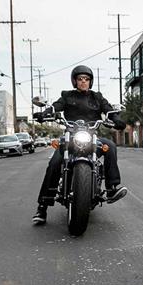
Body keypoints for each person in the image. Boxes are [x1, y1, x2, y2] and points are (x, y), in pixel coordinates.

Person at [32, 65, 128, 225]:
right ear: (75, 81)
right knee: (55, 162)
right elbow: (56, 106)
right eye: (80, 79)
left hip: (91, 136)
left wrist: (117, 119)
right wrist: (45, 113)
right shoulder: (67, 96)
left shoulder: (97, 97)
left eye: (86, 79)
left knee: (110, 145)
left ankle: (112, 188)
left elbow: (109, 110)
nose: (83, 82)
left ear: (90, 81)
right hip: (70, 136)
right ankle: (42, 206)